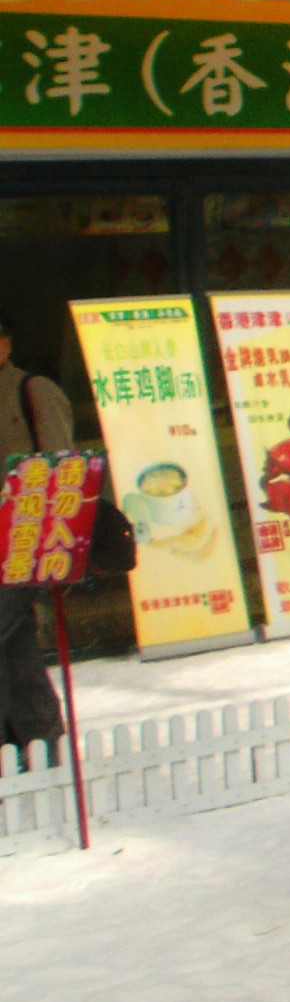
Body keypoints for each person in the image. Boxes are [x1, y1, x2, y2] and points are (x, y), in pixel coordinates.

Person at [0, 314, 74, 754]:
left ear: (6, 343)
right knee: (17, 645)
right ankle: (38, 740)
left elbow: (65, 471)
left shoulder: (32, 391)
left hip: (23, 544)